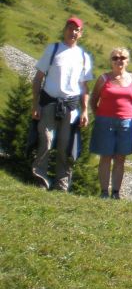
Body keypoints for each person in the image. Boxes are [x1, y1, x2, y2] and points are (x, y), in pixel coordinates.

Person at [31, 16, 94, 191]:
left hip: (71, 106)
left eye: (77, 30)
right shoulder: (52, 50)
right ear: (65, 29)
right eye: (70, 28)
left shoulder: (83, 57)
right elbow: (38, 79)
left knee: (66, 146)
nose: (73, 32)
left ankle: (62, 185)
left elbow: (84, 87)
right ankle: (40, 179)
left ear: (81, 34)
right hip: (49, 102)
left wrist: (85, 111)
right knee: (46, 139)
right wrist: (35, 104)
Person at [89, 47, 132, 199]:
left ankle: (116, 192)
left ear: (127, 61)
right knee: (106, 156)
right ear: (110, 61)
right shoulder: (103, 79)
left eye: (122, 57)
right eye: (115, 58)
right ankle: (104, 191)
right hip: (105, 121)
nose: (119, 60)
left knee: (120, 158)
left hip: (126, 122)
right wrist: (99, 115)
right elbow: (93, 99)